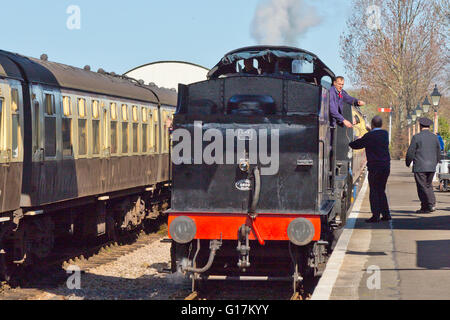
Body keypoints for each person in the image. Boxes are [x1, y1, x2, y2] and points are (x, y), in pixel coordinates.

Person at [349, 116, 391, 223]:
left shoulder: (369, 136)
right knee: (381, 190)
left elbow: (357, 145)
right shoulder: (385, 134)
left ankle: (375, 216)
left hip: (375, 167)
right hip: (385, 167)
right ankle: (386, 214)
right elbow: (375, 136)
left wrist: (349, 142)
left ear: (372, 124)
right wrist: (369, 131)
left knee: (374, 191)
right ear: (381, 124)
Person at [406, 117, 441, 213]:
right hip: (432, 166)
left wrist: (408, 162)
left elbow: (411, 152)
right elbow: (438, 151)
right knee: (428, 185)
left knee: (421, 186)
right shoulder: (434, 137)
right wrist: (436, 162)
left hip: (420, 166)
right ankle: (429, 204)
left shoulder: (417, 137)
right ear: (429, 126)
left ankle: (428, 205)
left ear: (420, 126)